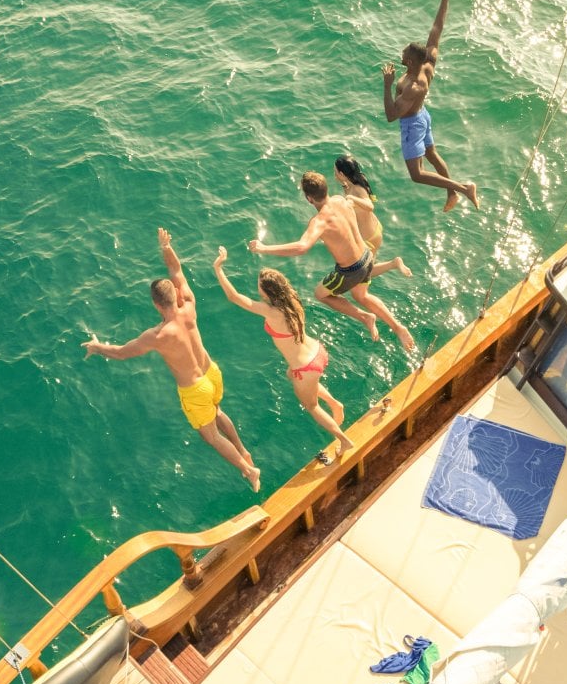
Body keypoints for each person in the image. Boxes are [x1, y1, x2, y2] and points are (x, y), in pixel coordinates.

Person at [83, 227, 260, 491]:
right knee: (219, 411)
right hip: (212, 372)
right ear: (176, 295)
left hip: (195, 389)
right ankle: (243, 450)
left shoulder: (158, 335)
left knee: (211, 437)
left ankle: (248, 470)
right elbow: (177, 272)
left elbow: (120, 353)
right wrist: (166, 247)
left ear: (156, 304)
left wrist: (97, 347)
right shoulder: (189, 304)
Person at [211, 247, 356, 466]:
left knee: (311, 406)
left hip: (306, 367)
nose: (257, 287)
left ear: (267, 292)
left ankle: (344, 440)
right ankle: (335, 404)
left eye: (259, 285)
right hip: (317, 352)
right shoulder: (292, 300)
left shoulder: (271, 312)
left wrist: (218, 268)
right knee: (293, 375)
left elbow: (234, 297)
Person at [250, 172, 416, 351]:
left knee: (320, 294)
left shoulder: (319, 221)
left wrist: (263, 248)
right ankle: (398, 327)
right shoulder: (340, 200)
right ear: (326, 189)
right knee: (361, 295)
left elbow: (302, 247)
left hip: (350, 270)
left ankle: (365, 317)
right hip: (367, 257)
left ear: (308, 198)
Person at [383, 0, 479, 212]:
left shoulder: (414, 86)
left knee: (417, 174)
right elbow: (438, 28)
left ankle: (463, 188)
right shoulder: (428, 62)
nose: (401, 55)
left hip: (412, 124)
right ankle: (451, 194)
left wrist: (387, 84)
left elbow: (392, 115)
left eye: (404, 55)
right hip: (423, 115)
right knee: (432, 154)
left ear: (411, 63)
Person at [334, 155, 410, 282]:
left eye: (335, 171)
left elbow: (369, 205)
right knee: (367, 270)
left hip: (369, 238)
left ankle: (394, 263)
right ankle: (393, 264)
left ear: (341, 173)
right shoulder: (352, 183)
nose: (334, 174)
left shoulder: (357, 188)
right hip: (373, 230)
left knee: (364, 274)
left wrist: (351, 199)